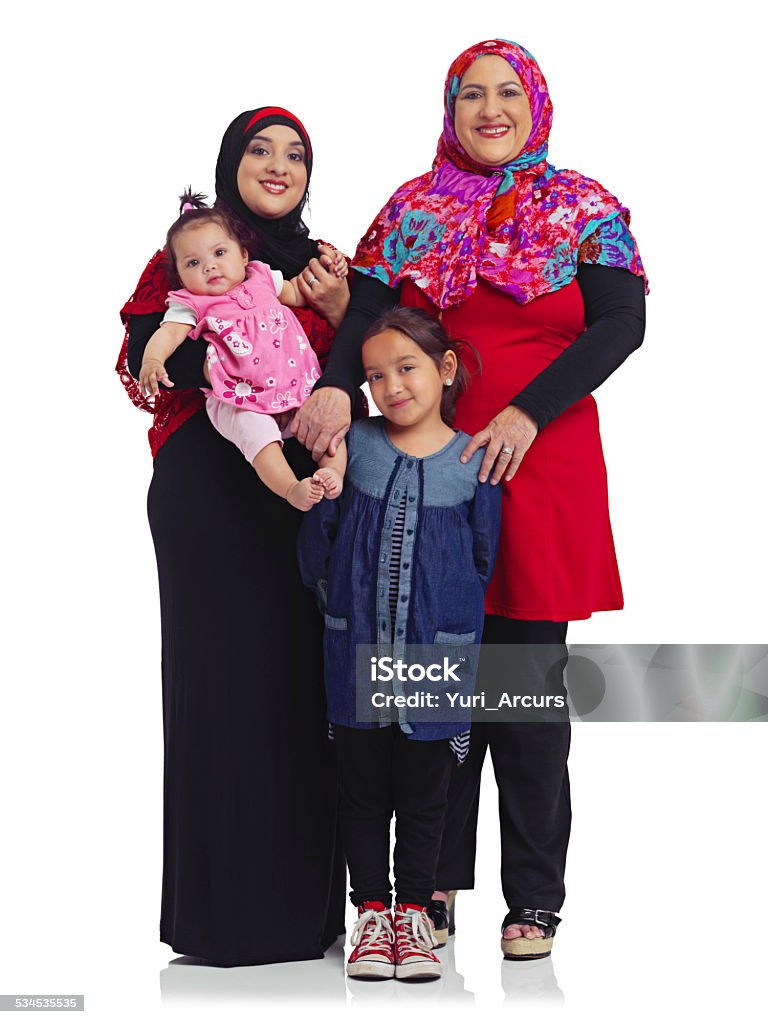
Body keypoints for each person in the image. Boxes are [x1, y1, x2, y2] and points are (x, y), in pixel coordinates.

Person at [293, 39, 647, 960]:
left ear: (536, 104)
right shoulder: (412, 208)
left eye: (506, 95)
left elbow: (623, 321)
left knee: (524, 692)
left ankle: (534, 899)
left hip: (541, 468)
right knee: (429, 678)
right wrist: (336, 384)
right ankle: (430, 887)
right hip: (423, 477)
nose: (491, 111)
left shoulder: (584, 207)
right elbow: (366, 316)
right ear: (449, 112)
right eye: (470, 97)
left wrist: (529, 412)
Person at [117, 106, 353, 966]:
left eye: (297, 153)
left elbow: (371, 361)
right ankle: (220, 918)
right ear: (231, 161)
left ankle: (306, 914)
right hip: (209, 493)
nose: (279, 164)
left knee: (303, 686)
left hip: (300, 492)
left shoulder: (319, 268)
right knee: (217, 686)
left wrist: (344, 313)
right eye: (261, 149)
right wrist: (224, 350)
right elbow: (146, 356)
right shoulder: (192, 252)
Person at [298, 307, 501, 980]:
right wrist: (335, 602)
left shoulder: (472, 463)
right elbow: (317, 543)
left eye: (406, 368)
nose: (392, 387)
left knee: (424, 794)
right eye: (375, 375)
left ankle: (416, 913)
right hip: (354, 647)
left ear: (444, 370)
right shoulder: (353, 445)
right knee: (360, 792)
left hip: (436, 655)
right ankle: (371, 916)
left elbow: (479, 561)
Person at [139, 192, 346, 510]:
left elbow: (298, 292)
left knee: (328, 427)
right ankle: (291, 488)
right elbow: (168, 334)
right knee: (258, 437)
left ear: (244, 255)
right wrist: (153, 359)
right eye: (193, 263)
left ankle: (332, 473)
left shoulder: (262, 278)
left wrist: (327, 278)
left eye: (219, 252)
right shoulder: (191, 303)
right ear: (180, 276)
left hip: (292, 382)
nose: (210, 267)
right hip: (236, 396)